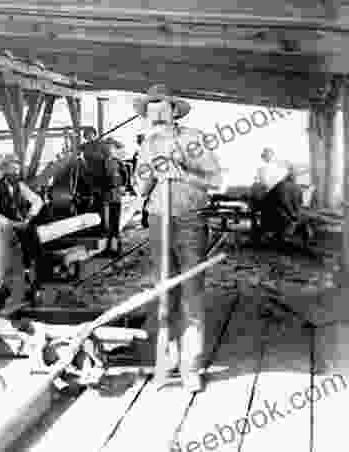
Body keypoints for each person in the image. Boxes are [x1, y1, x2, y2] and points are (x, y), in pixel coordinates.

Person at [134, 84, 223, 393]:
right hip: (159, 220)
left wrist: (181, 172)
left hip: (190, 220)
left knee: (191, 293)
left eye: (162, 108)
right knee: (163, 292)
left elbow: (215, 180)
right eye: (151, 110)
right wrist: (149, 172)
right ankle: (166, 360)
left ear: (174, 111)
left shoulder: (194, 138)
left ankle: (191, 367)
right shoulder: (147, 144)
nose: (156, 114)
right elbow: (140, 189)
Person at [0, 153, 45, 308]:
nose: (17, 170)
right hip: (4, 230)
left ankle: (34, 289)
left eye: (17, 166)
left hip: (23, 226)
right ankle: (2, 294)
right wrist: (12, 223)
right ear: (6, 170)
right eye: (14, 167)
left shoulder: (20, 186)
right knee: (7, 263)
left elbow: (37, 200)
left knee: (35, 254)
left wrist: (30, 216)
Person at [252, 147, 303, 241]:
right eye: (266, 156)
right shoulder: (262, 169)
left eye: (269, 155)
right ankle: (283, 228)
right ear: (263, 158)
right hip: (274, 192)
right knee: (282, 201)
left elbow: (265, 183)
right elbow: (261, 183)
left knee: (282, 199)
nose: (267, 158)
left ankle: (284, 228)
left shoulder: (277, 167)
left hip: (278, 191)